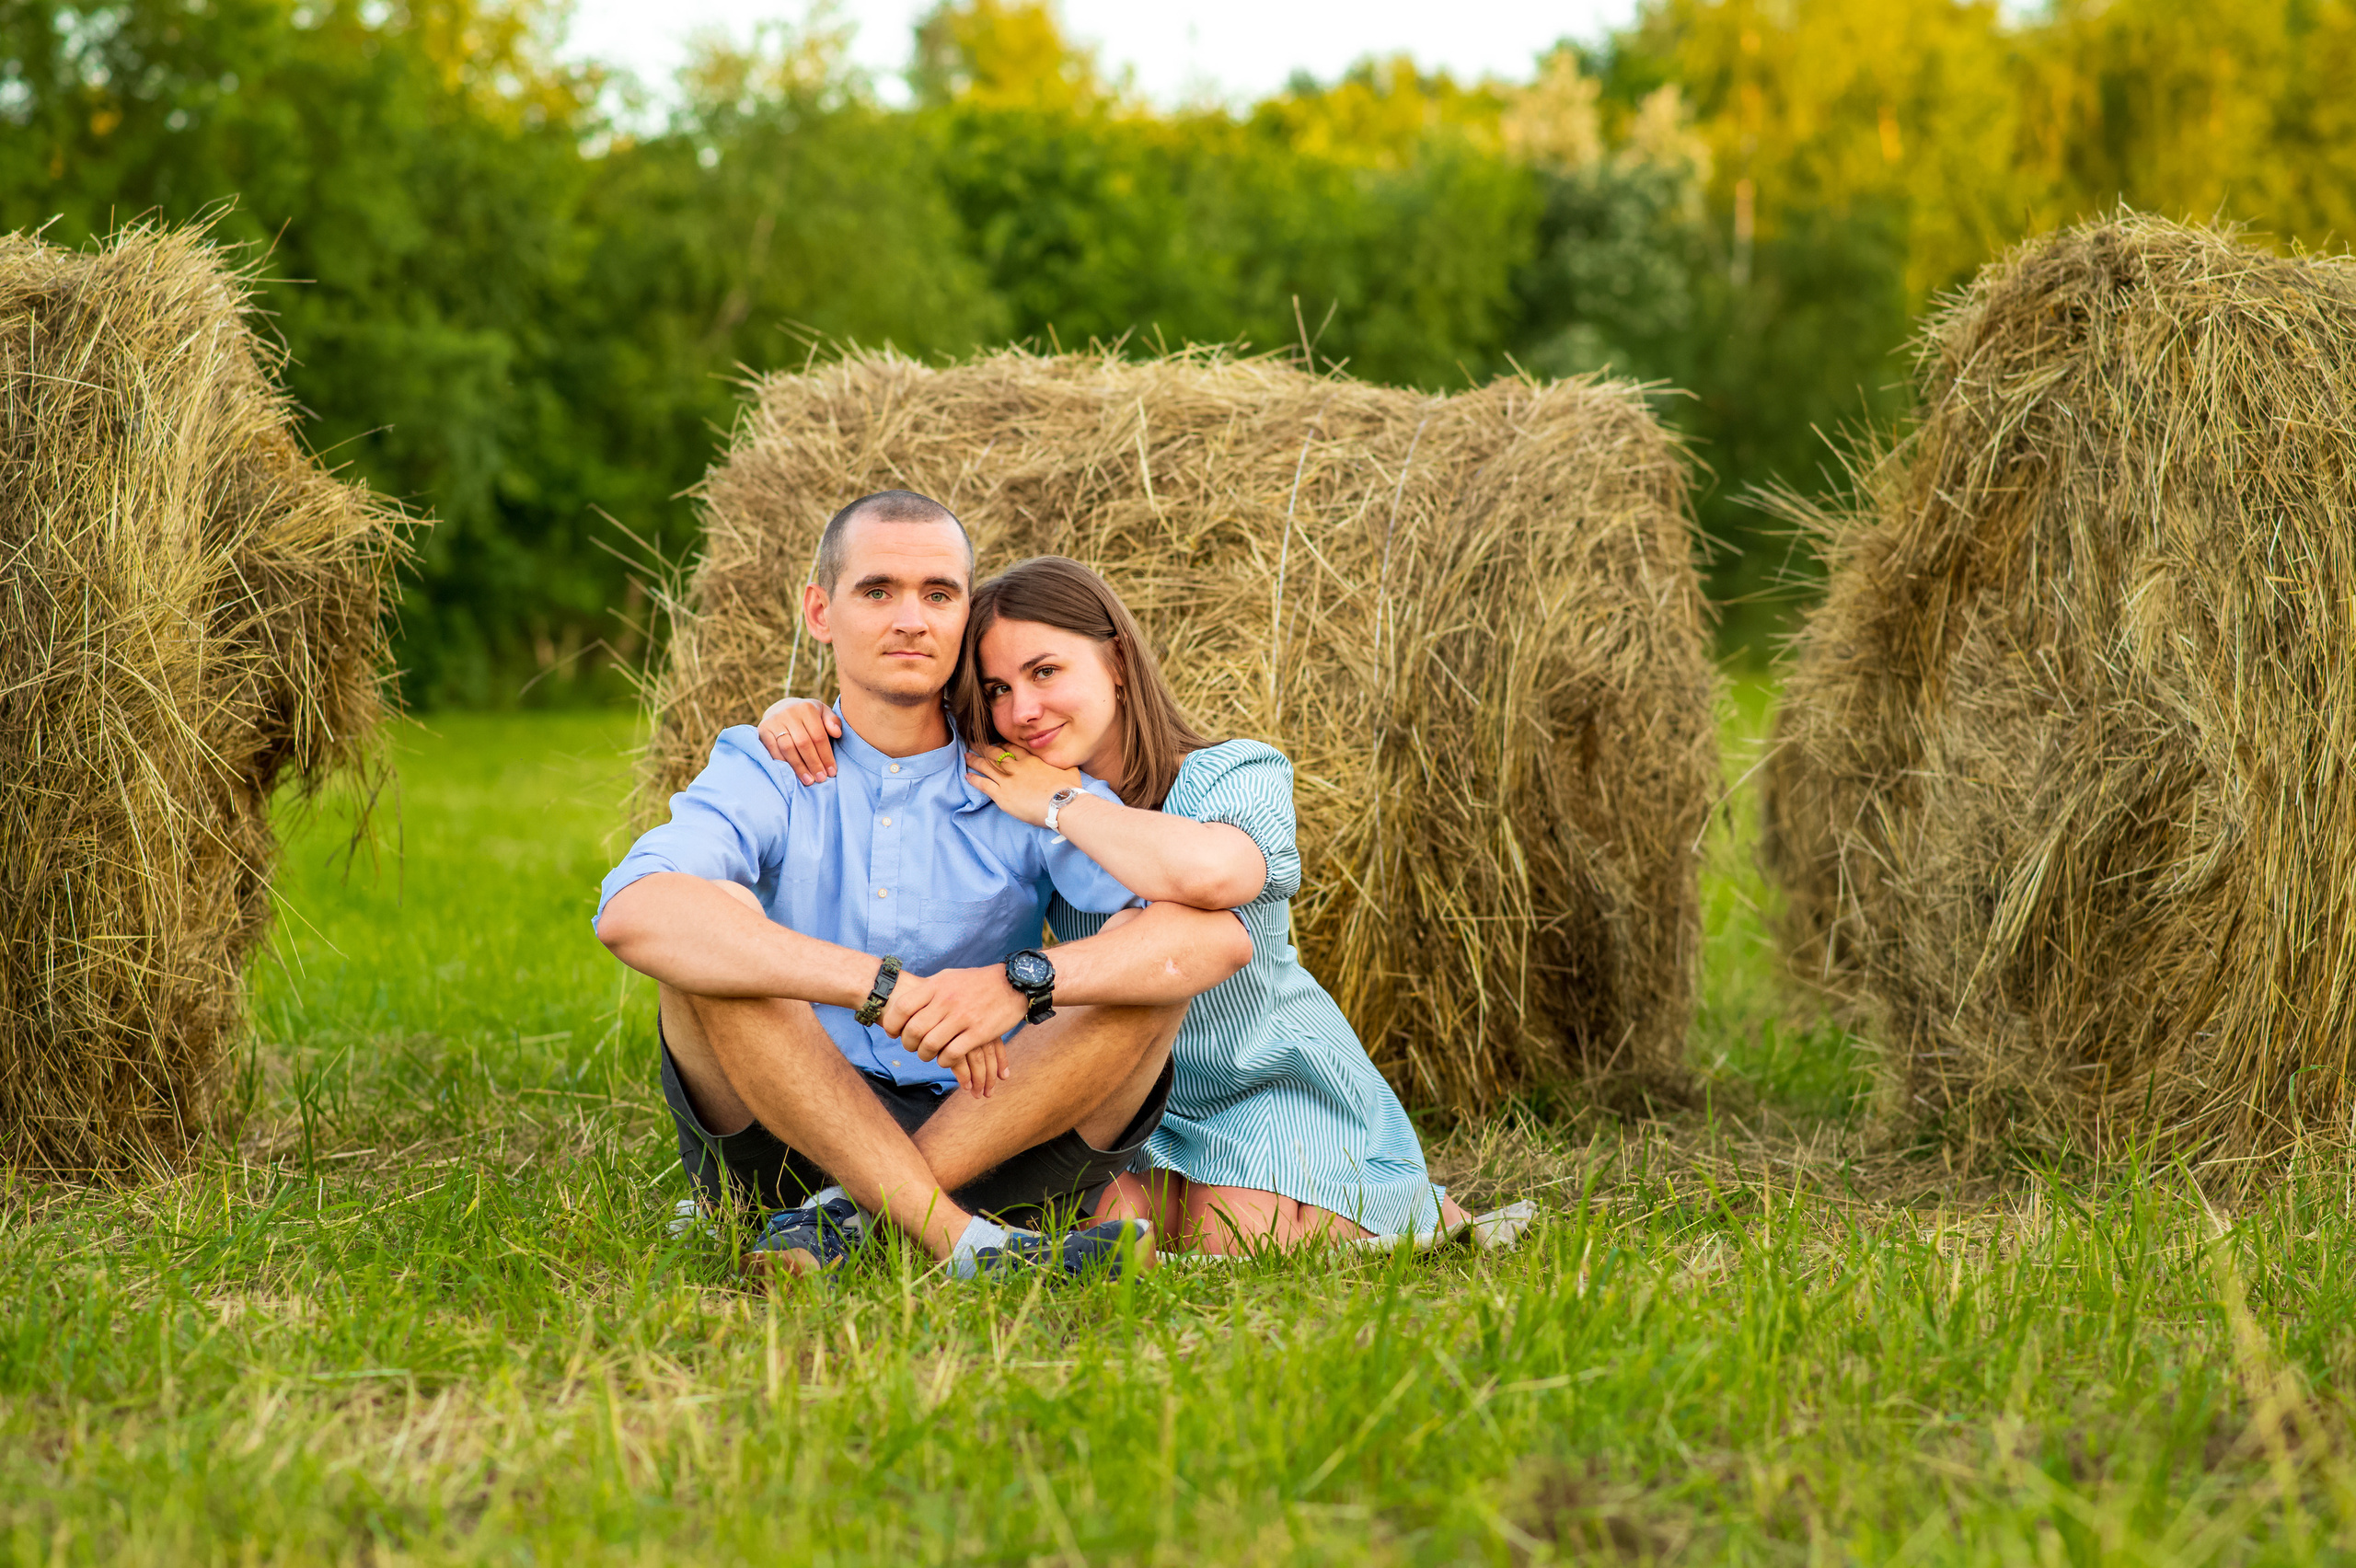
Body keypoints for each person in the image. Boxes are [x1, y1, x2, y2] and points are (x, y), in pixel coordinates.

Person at [597, 494, 1253, 1283]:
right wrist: (882, 988)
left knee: (1139, 974)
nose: (911, 619)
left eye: (938, 595)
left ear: (964, 618)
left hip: (991, 1125)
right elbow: (632, 913)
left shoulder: (1021, 783)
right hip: (787, 1126)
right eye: (878, 591)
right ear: (820, 611)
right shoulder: (767, 764)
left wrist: (1019, 984)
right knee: (717, 932)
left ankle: (844, 1219)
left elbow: (1212, 937)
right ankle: (965, 1244)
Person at [757, 555, 1475, 1253]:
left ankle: (859, 1215)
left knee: (1240, 1232)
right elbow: (899, 726)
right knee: (1099, 1217)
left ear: (1119, 662)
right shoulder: (1009, 788)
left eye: (1044, 672)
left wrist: (1059, 804)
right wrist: (798, 713)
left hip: (1265, 1079)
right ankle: (886, 1213)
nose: (1023, 710)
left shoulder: (1230, 771)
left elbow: (1215, 878)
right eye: (998, 689)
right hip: (1113, 1092)